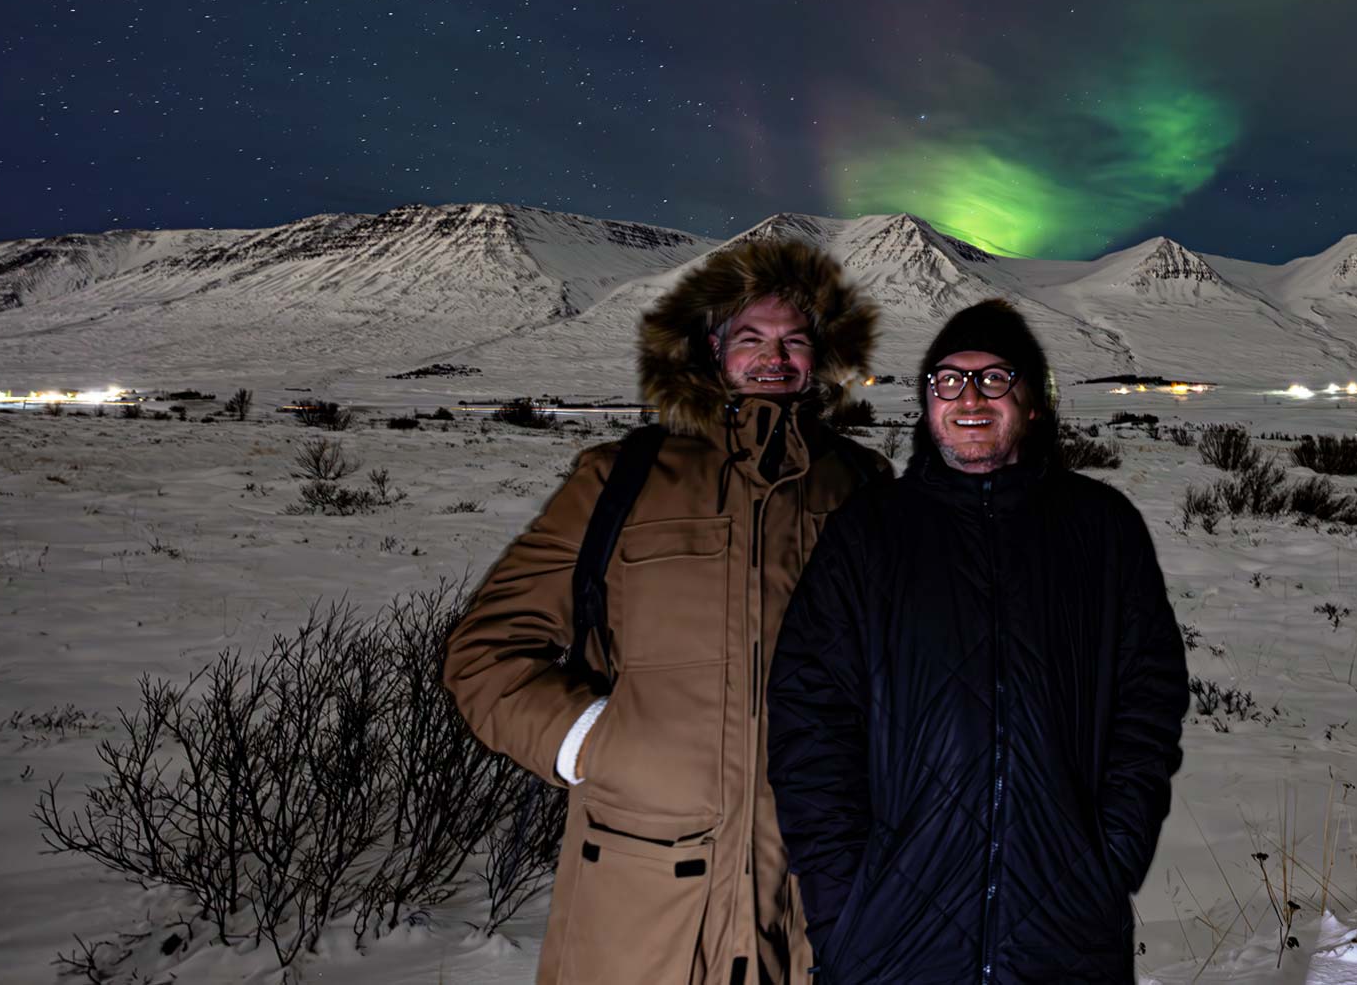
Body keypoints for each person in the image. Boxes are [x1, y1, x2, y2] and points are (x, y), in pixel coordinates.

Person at [444, 237, 887, 985]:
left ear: (822, 355)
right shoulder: (622, 479)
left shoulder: (864, 485)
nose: (773, 358)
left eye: (794, 340)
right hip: (643, 891)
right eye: (750, 338)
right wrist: (594, 742)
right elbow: (485, 652)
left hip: (816, 895)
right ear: (711, 352)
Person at [767, 298, 1189, 983]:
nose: (970, 398)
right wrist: (842, 903)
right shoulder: (869, 534)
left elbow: (1149, 699)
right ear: (926, 401)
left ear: (1032, 401)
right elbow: (808, 722)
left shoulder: (1100, 529)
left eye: (994, 378)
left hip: (1063, 935)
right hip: (891, 939)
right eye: (948, 380)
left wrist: (1107, 859)